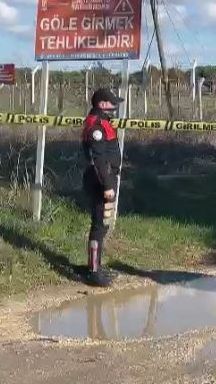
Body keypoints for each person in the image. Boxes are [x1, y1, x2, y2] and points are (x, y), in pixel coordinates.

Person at [82, 88, 124, 287]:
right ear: (102, 104)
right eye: (112, 103)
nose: (115, 107)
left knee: (102, 225)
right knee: (100, 226)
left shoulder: (100, 122)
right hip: (101, 181)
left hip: (103, 178)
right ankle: (94, 272)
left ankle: (96, 265)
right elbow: (98, 159)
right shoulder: (97, 126)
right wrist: (107, 185)